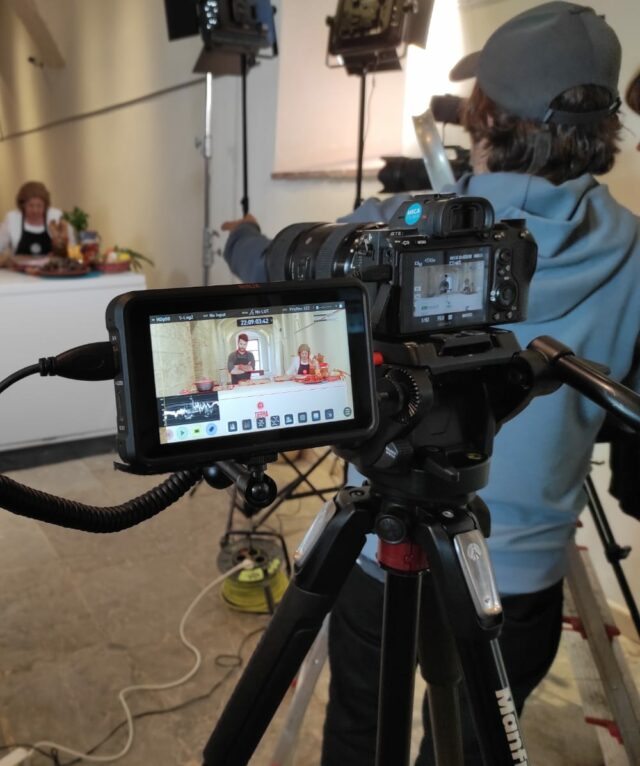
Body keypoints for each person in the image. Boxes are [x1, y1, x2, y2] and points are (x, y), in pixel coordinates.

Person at [221, 4, 640, 764]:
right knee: (475, 749)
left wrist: (242, 238)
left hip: (383, 553)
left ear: (485, 119)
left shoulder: (392, 229)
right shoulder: (639, 253)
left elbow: (278, 270)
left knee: (359, 727)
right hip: (521, 579)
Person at [0, 181, 74, 258]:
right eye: (31, 206)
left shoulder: (56, 217)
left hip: (52, 273)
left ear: (46, 205)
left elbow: (72, 248)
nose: (35, 210)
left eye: (39, 206)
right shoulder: (13, 219)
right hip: (20, 276)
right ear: (22, 205)